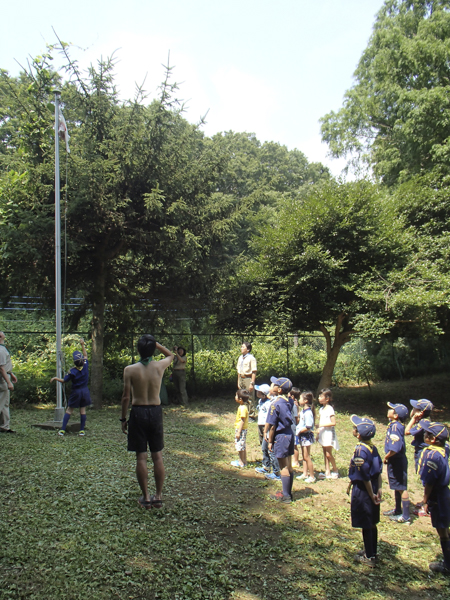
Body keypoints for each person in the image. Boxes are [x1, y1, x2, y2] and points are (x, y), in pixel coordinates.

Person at [121, 335, 174, 509]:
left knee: (141, 457)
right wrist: (157, 344)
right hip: (155, 412)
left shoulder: (130, 370)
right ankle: (158, 496)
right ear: (152, 349)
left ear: (138, 350)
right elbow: (171, 356)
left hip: (138, 412)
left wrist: (123, 418)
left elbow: (126, 397)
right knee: (157, 455)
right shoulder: (159, 366)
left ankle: (146, 497)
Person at [347, 415, 382, 568]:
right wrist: (378, 489)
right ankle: (371, 550)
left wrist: (370, 493)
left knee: (366, 522)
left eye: (355, 428)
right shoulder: (372, 447)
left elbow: (364, 476)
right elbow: (378, 472)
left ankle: (369, 557)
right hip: (373, 487)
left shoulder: (361, 450)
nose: (353, 429)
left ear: (359, 434)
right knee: (372, 522)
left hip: (364, 490)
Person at [418, 420, 450, 574]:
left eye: (427, 434)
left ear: (433, 439)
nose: (424, 434)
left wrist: (424, 501)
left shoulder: (432, 456)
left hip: (437, 496)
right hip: (444, 493)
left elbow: (429, 483)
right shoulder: (444, 449)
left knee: (442, 529)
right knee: (445, 527)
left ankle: (448, 565)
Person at [51, 338, 91, 437]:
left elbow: (64, 381)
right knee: (82, 410)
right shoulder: (85, 365)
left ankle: (63, 430)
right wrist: (82, 344)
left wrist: (56, 378)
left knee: (69, 410)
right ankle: (82, 430)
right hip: (85, 391)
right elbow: (85, 355)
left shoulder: (72, 371)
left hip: (76, 392)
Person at [266, 376, 295, 503]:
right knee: (289, 465)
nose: (271, 386)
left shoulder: (276, 404)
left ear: (279, 390)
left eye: (274, 385)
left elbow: (272, 426)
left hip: (280, 436)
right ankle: (287, 492)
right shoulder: (289, 401)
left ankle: (286, 496)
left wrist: (270, 441)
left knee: (283, 466)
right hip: (289, 434)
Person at [382, 402, 410, 523]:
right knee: (396, 486)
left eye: (392, 409)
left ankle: (406, 516)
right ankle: (398, 509)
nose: (389, 410)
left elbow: (395, 448)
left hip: (397, 461)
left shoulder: (395, 427)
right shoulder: (393, 425)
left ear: (396, 415)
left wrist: (386, 457)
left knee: (401, 488)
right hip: (395, 460)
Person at [316, 388, 339, 480]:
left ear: (327, 398)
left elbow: (333, 423)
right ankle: (327, 471)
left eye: (321, 396)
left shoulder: (330, 409)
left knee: (329, 453)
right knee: (324, 453)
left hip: (329, 433)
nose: (319, 398)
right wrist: (318, 433)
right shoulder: (321, 409)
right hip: (323, 433)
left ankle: (335, 470)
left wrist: (321, 425)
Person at [296, 391, 316, 483]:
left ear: (305, 400)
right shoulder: (303, 411)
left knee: (307, 456)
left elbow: (308, 427)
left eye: (300, 398)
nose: (299, 400)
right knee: (304, 456)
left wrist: (299, 431)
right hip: (302, 436)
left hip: (306, 437)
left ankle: (312, 476)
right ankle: (305, 474)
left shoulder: (308, 413)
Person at [0, 331, 17, 433]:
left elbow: (5, 366)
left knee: (5, 403)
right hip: (2, 380)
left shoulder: (2, 348)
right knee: (1, 403)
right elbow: (1, 368)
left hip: (5, 376)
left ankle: (4, 426)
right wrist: (8, 383)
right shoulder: (1, 350)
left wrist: (11, 374)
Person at [236, 341, 257, 420]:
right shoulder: (240, 358)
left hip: (248, 378)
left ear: (248, 349)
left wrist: (252, 383)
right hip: (242, 378)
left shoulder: (251, 358)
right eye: (241, 347)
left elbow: (254, 371)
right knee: (241, 396)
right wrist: (238, 381)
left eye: (243, 347)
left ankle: (251, 415)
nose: (241, 348)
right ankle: (243, 413)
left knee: (249, 397)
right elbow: (238, 370)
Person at [231, 389, 250, 468]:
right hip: (242, 429)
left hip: (241, 429)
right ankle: (244, 460)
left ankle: (241, 462)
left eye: (236, 395)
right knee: (242, 446)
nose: (235, 397)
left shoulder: (242, 408)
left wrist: (239, 432)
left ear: (240, 399)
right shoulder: (243, 407)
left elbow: (242, 420)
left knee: (240, 446)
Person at [289, 387, 301, 467]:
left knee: (294, 445)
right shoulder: (293, 404)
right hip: (291, 426)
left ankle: (296, 461)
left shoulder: (294, 405)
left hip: (293, 426)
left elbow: (296, 417)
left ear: (292, 396)